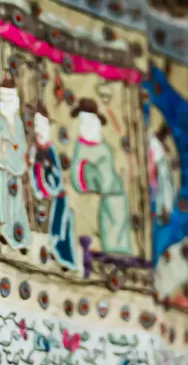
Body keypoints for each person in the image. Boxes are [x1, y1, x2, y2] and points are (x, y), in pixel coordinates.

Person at [71, 98, 134, 256]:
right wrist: (91, 181)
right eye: (83, 122)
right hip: (102, 194)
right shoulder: (82, 147)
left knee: (117, 230)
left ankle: (118, 253)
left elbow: (106, 177)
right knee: (108, 232)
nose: (85, 126)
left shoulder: (104, 148)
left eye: (89, 121)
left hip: (114, 194)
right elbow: (77, 175)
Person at [32, 105, 77, 270]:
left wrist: (50, 177)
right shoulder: (35, 148)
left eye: (43, 124)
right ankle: (56, 248)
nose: (40, 129)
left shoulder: (50, 149)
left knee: (65, 215)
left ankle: (63, 254)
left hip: (54, 191)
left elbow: (56, 175)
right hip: (42, 192)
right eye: (37, 124)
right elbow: (36, 174)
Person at [0, 76, 31, 249]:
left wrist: (18, 153)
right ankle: (7, 233)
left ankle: (21, 237)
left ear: (15, 100)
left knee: (17, 205)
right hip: (4, 167)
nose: (5, 103)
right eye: (2, 99)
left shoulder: (18, 122)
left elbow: (21, 144)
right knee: (4, 202)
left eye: (9, 99)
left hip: (16, 167)